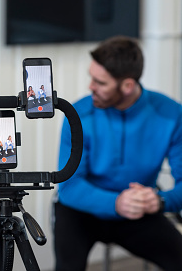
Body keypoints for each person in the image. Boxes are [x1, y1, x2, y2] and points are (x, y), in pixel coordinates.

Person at [54, 36, 182, 271]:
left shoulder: (171, 115)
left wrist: (161, 200)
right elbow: (69, 187)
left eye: (100, 82)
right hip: (81, 211)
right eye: (91, 77)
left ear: (127, 86)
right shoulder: (78, 114)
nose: (90, 87)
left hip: (137, 211)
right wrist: (116, 203)